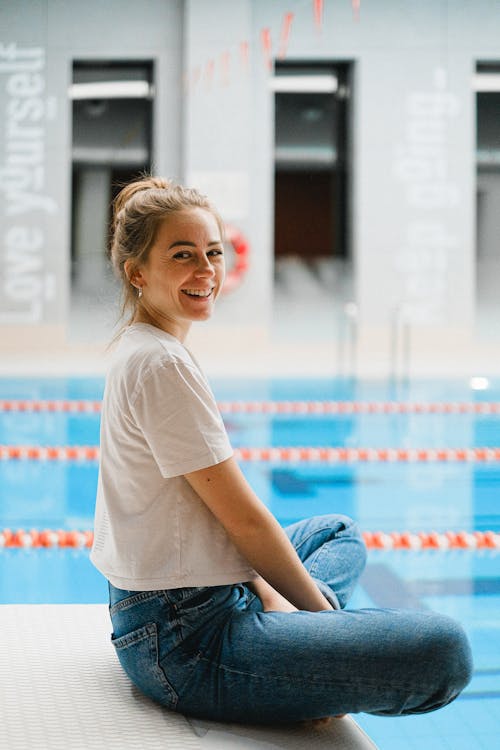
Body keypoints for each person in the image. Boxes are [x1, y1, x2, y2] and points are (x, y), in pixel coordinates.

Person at [91, 176, 472, 725]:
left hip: (179, 606)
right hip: (187, 644)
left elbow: (209, 512)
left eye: (213, 253)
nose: (206, 271)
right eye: (182, 255)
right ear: (137, 272)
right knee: (445, 651)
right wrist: (324, 627)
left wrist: (267, 592)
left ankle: (293, 646)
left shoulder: (145, 348)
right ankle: (305, 656)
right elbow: (243, 521)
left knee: (336, 533)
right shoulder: (161, 364)